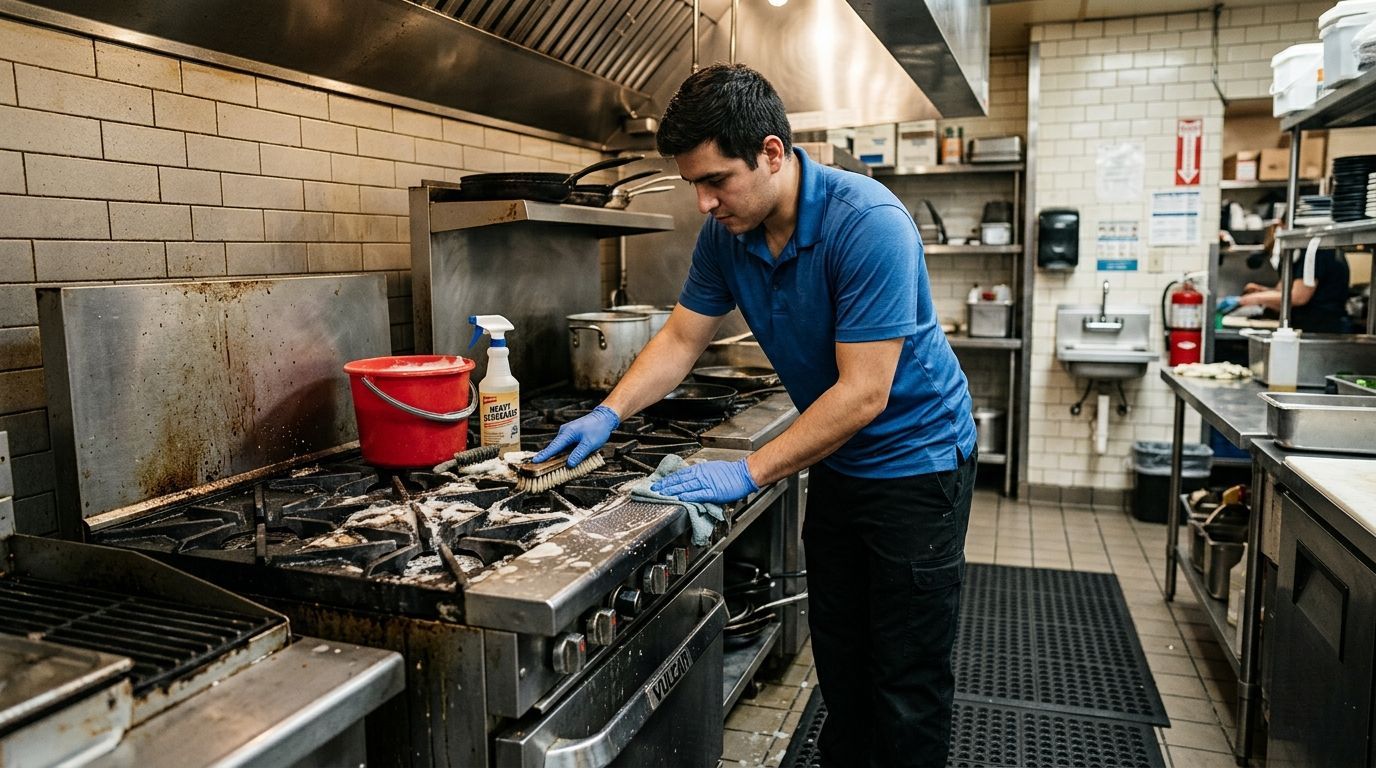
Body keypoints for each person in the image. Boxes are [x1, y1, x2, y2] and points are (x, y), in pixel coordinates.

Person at [532, 63, 976, 767]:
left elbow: (865, 393)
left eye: (717, 181)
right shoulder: (726, 235)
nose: (705, 203)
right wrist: (608, 413)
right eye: (694, 186)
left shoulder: (868, 224)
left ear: (772, 153)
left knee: (906, 681)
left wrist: (751, 469)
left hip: (917, 468)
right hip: (838, 462)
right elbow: (682, 337)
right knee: (842, 660)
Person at [1217, 227, 1352, 334]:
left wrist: (1248, 299)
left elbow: (1298, 297)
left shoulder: (1316, 251)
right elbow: (1282, 291)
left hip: (1323, 329)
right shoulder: (1297, 252)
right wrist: (1262, 291)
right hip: (1309, 326)